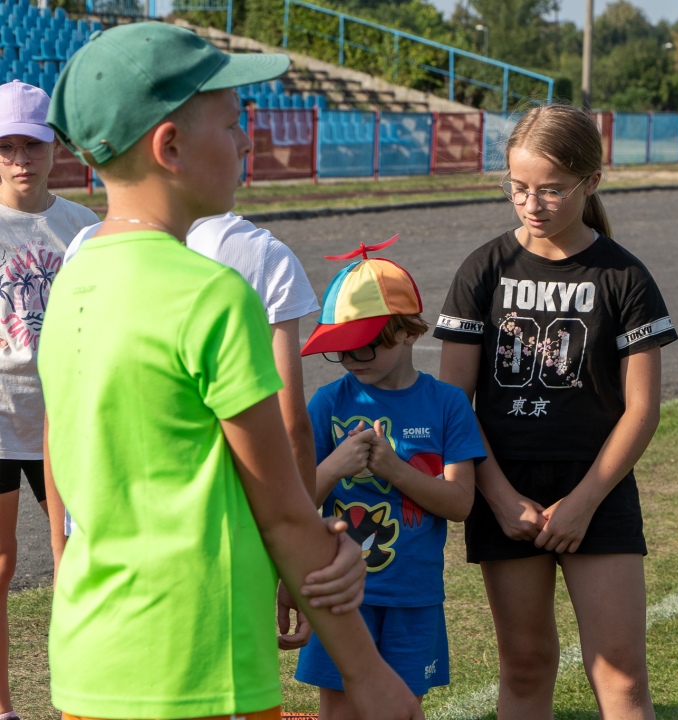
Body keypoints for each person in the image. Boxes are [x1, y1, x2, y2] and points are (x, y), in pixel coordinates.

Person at [39, 22, 422, 720]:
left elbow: (66, 457)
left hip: (92, 657)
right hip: (197, 664)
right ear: (171, 146)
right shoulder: (211, 296)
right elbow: (279, 508)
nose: (247, 139)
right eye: (232, 120)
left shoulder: (72, 280)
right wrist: (365, 674)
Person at [434, 104, 677, 720]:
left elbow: (642, 408)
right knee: (525, 665)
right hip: (505, 489)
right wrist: (497, 496)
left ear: (590, 182)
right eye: (518, 189)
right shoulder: (482, 270)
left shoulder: (624, 276)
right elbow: (451, 403)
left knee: (621, 676)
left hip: (597, 490)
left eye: (549, 191)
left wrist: (586, 501)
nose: (531, 204)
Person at [51, 211, 324, 647]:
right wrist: (297, 560)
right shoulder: (260, 253)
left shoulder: (85, 244)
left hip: (98, 540)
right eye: (234, 136)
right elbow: (290, 426)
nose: (243, 146)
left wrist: (62, 551)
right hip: (217, 545)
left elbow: (60, 413)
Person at [293, 245, 486, 714]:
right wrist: (337, 464)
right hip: (340, 594)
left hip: (412, 596)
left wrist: (393, 469)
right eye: (339, 348)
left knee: (400, 708)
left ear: (406, 333)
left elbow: (461, 503)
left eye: (363, 343)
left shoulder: (446, 404)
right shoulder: (328, 403)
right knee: (339, 711)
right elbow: (293, 506)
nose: (351, 357)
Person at [0, 79, 98, 720]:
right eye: (5, 146)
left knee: (84, 561)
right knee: (0, 565)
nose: (19, 159)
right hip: (0, 422)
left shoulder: (82, 227)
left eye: (31, 144)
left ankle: (83, 699)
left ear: (54, 147)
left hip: (66, 421)